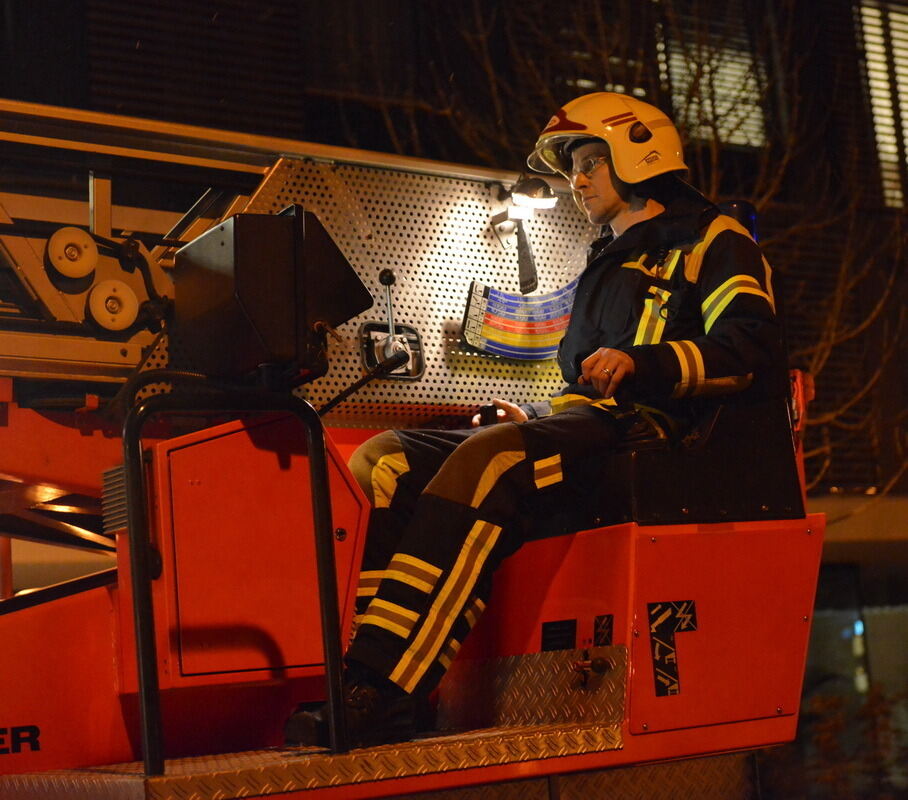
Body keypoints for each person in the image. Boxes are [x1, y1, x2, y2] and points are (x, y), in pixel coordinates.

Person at [284, 92, 786, 748]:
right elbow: (582, 380)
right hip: (586, 424)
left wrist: (643, 363)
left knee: (489, 460)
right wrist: (535, 414)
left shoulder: (712, 241)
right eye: (573, 168)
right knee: (384, 458)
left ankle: (377, 691)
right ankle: (376, 679)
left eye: (589, 163)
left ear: (638, 153)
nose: (576, 181)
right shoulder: (608, 257)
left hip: (653, 430)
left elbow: (750, 348)